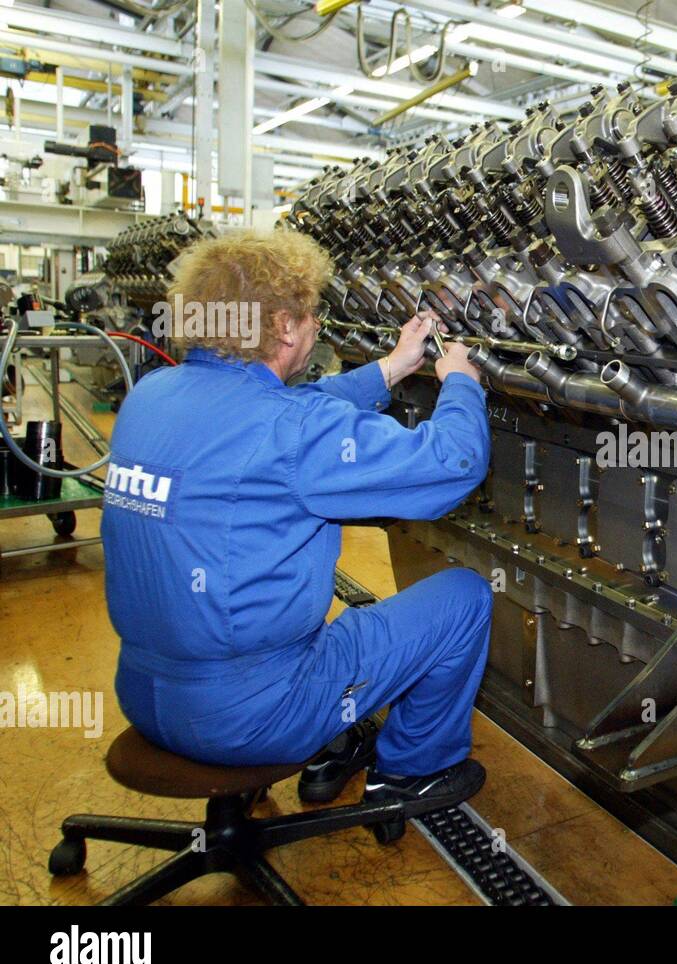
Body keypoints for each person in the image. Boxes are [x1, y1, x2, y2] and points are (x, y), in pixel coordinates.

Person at [102, 228, 492, 814]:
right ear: (284, 326)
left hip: (143, 694)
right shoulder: (294, 429)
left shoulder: (151, 394)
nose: (315, 329)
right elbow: (453, 464)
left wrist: (388, 369)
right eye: (312, 315)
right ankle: (411, 775)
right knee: (464, 596)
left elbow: (286, 413)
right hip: (251, 717)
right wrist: (461, 380)